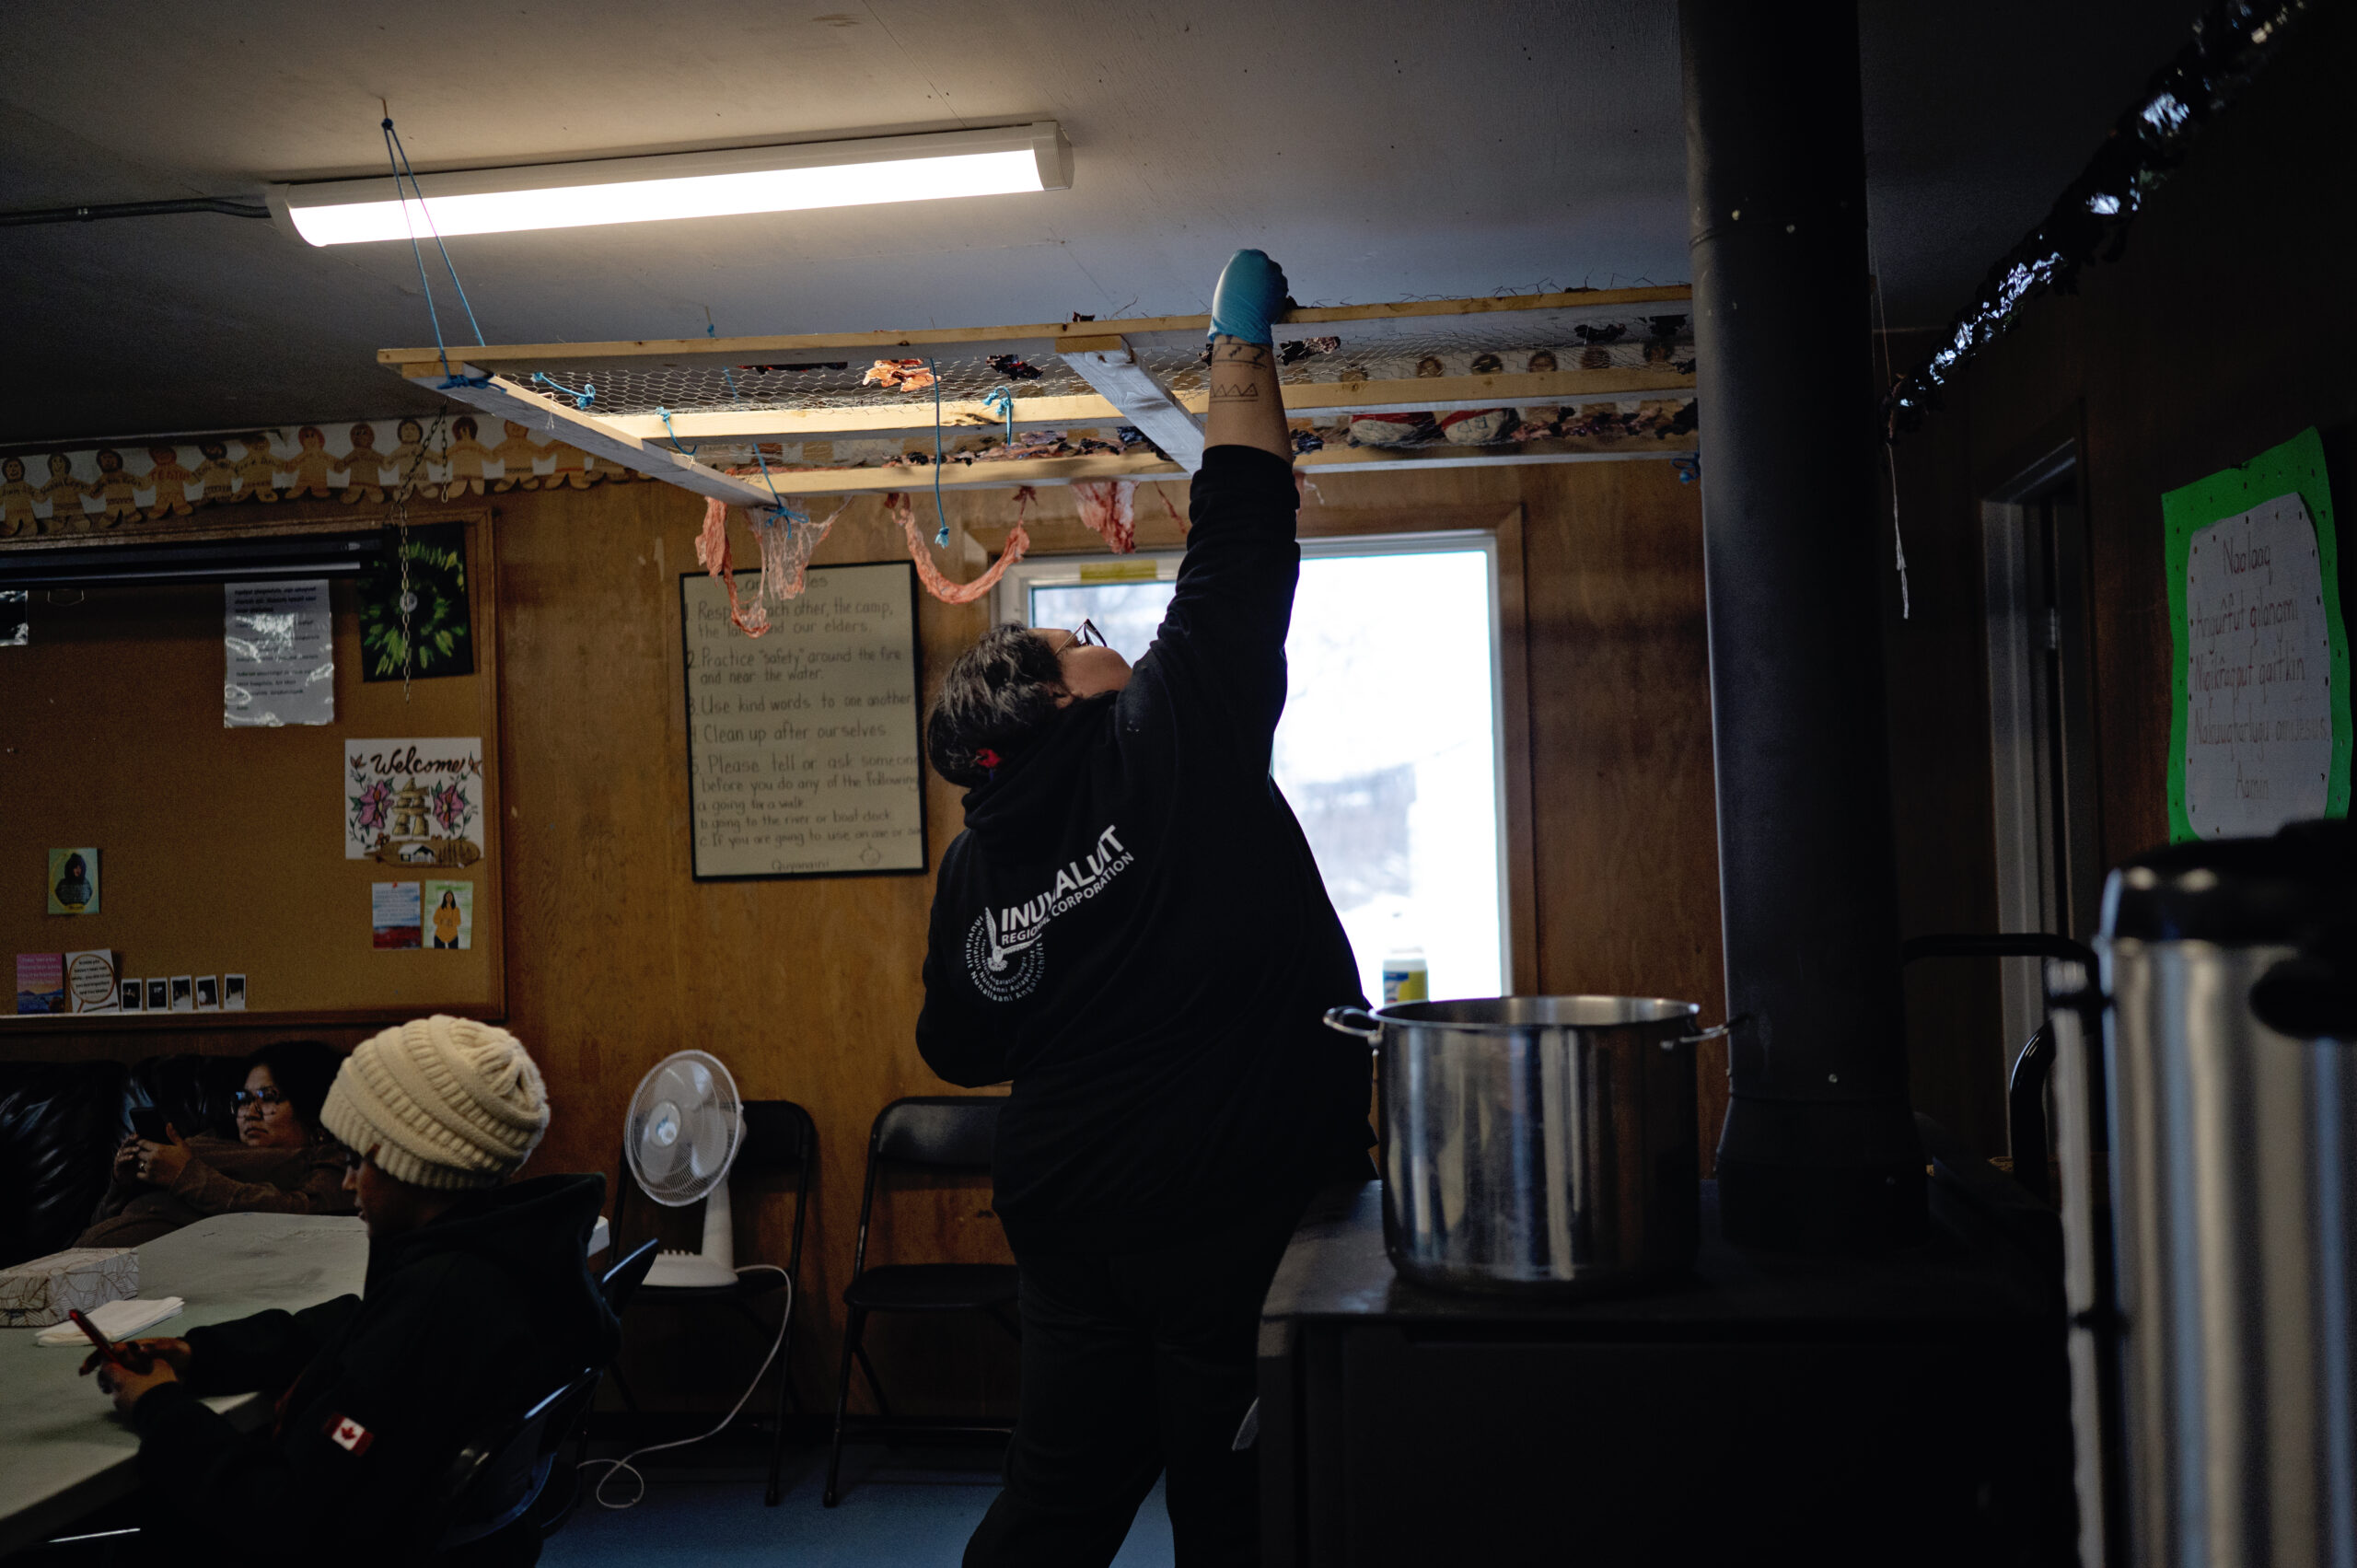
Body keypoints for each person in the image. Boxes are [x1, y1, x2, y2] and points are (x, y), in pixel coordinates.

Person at [918, 249, 1374, 1568]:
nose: (1099, 637)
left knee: (1060, 1502)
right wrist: (1237, 345)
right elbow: (1239, 538)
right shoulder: (1157, 737)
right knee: (1239, 1507)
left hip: (1073, 1221)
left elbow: (960, 1044)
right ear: (1054, 701)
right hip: (1230, 1209)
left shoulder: (977, 864)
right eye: (1075, 642)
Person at [85, 1016, 619, 1566]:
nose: (345, 1182)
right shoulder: (502, 1250)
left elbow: (281, 1513)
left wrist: (159, 1404)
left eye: (357, 1161)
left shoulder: (432, 1306)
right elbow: (356, 1325)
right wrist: (200, 1352)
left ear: (413, 1164)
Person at [80, 1040, 355, 1247]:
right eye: (244, 1100)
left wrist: (185, 1175)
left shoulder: (330, 1158)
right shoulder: (211, 1141)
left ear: (310, 1106)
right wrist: (121, 1187)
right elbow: (100, 1225)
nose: (250, 1112)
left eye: (268, 1097)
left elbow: (304, 1213)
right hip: (84, 1261)